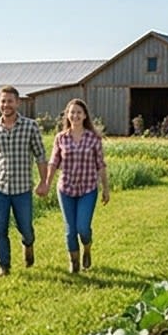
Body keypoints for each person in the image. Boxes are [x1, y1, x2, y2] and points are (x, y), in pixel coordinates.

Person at [0, 85, 48, 276]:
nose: (5, 105)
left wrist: (44, 182)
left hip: (22, 189)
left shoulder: (30, 126)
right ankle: (4, 266)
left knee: (26, 228)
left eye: (9, 101)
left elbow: (40, 156)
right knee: (0, 229)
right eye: (2, 101)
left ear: (17, 103)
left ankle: (28, 244)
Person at [44, 98, 110, 273]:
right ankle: (74, 263)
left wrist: (106, 189)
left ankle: (87, 247)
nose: (75, 115)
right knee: (70, 230)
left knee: (83, 228)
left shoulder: (93, 138)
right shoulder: (60, 138)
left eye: (79, 112)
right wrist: (47, 183)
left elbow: (101, 165)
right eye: (72, 112)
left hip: (88, 189)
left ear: (85, 115)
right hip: (66, 189)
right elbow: (53, 162)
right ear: (67, 115)